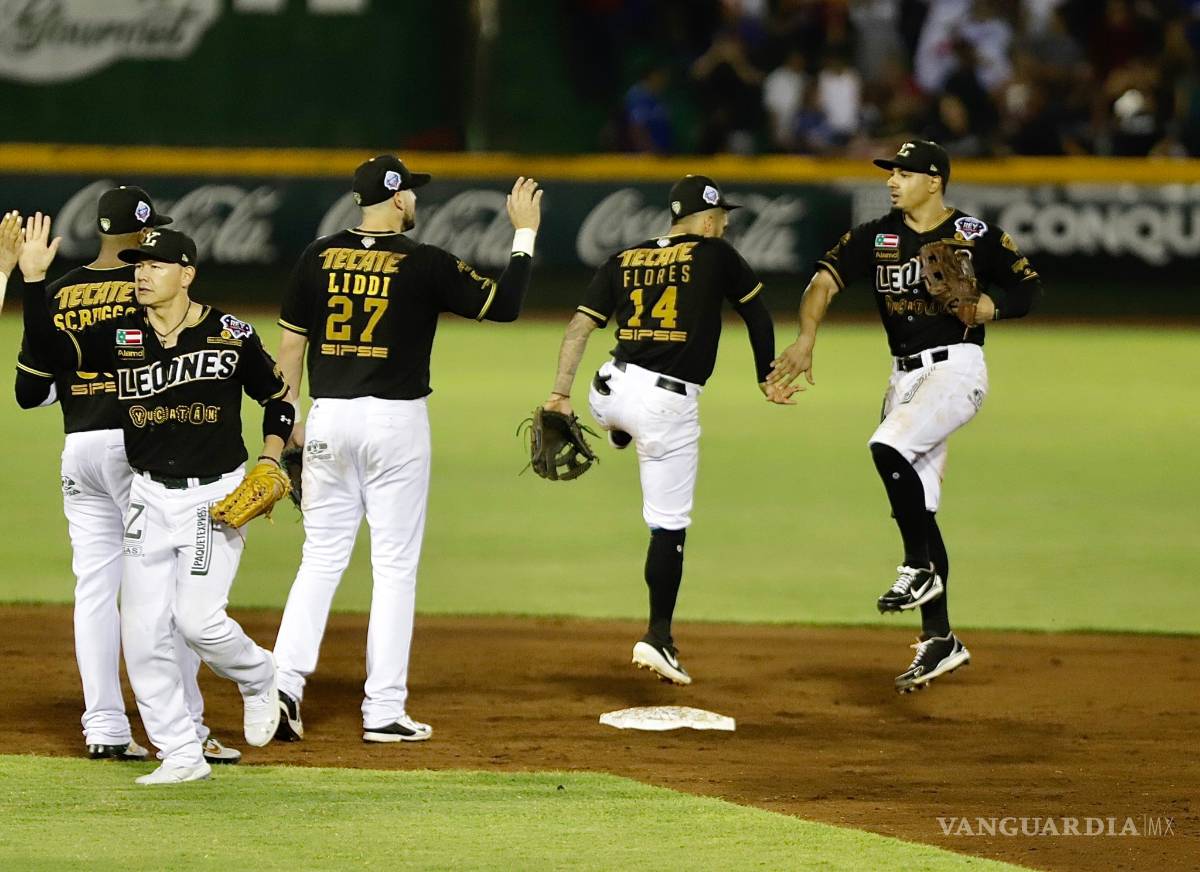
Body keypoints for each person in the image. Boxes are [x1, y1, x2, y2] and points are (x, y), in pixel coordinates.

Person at [271, 157, 541, 744]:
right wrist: (524, 233)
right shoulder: (424, 262)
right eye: (411, 193)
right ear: (396, 199)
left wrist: (288, 425)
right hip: (395, 424)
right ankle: (384, 710)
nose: (416, 200)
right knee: (394, 568)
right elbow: (506, 305)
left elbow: (289, 349)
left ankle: (283, 687)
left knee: (320, 560)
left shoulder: (317, 256)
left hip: (328, 418)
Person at [17, 216, 290, 784]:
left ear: (186, 274)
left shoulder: (230, 334)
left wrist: (270, 458)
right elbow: (48, 354)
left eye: (155, 266)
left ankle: (260, 674)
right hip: (146, 496)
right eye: (138, 266)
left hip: (212, 497)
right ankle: (181, 753)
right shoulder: (120, 334)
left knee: (197, 623)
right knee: (141, 635)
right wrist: (33, 282)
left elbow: (278, 399)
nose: (142, 275)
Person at [768, 140, 1041, 692]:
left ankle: (918, 568)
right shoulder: (876, 237)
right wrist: (806, 337)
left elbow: (1027, 286)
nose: (892, 181)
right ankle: (940, 638)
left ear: (934, 180)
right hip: (904, 379)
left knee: (887, 446)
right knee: (919, 508)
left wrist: (992, 307)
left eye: (904, 173)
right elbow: (822, 283)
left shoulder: (973, 235)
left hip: (956, 368)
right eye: (890, 173)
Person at [543, 175, 796, 686]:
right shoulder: (715, 253)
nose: (724, 226)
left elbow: (579, 328)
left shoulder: (623, 257)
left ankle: (615, 426)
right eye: (720, 218)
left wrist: (558, 395)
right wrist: (766, 376)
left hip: (607, 387)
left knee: (612, 403)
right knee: (668, 526)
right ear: (705, 220)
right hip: (665, 407)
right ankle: (658, 636)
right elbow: (756, 313)